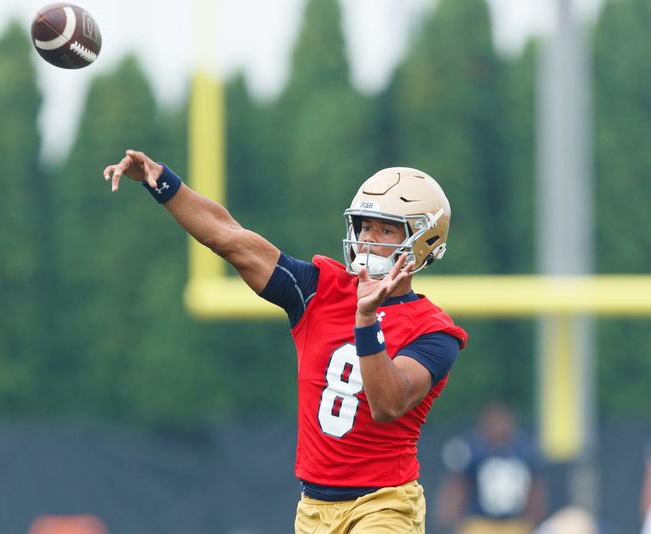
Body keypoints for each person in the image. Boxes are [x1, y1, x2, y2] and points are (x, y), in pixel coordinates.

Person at [103, 150, 468, 533]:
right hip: (313, 507)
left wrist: (364, 320)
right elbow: (229, 238)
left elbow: (388, 404)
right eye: (364, 227)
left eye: (385, 229)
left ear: (424, 241)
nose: (366, 240)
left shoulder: (434, 330)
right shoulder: (319, 290)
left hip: (384, 505)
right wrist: (161, 181)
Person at [435, 402, 547, 534]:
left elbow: (534, 488)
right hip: (479, 522)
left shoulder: (524, 450)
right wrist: (449, 517)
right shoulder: (472, 449)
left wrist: (535, 519)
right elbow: (457, 485)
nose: (499, 427)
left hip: (515, 523)